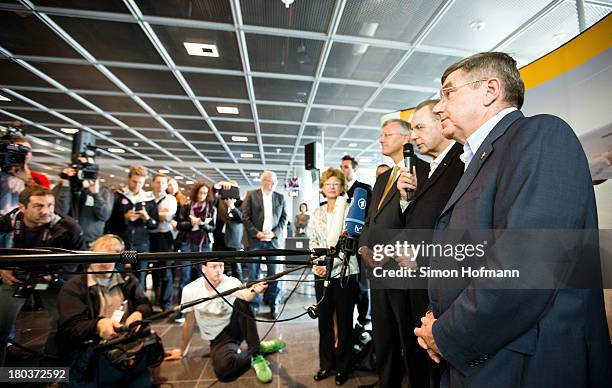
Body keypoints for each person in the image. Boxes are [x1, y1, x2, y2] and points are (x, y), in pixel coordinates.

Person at [414, 52, 612, 387]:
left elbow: (525, 267)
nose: (437, 106)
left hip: (523, 364)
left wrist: (446, 333)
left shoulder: (542, 134)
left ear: (490, 90)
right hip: (483, 356)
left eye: (448, 92)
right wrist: (438, 317)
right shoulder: (482, 159)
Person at [395, 99, 464, 388]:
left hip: (442, 287)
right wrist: (404, 199)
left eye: (419, 127)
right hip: (415, 281)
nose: (413, 136)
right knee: (419, 362)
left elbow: (459, 231)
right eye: (411, 129)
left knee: (440, 368)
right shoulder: (423, 170)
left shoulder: (464, 162)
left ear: (442, 123)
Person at [357, 119, 429, 388]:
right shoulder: (382, 179)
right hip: (376, 270)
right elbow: (370, 221)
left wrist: (387, 252)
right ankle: (387, 381)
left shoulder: (423, 172)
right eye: (381, 134)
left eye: (387, 134)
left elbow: (416, 222)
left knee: (407, 337)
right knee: (383, 334)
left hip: (401, 268)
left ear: (405, 138)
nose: (381, 139)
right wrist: (364, 247)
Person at [0, 185, 86, 366]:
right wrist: (1, 269)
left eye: (50, 205)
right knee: (2, 324)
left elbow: (78, 257)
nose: (46, 211)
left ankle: (51, 367)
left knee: (63, 323)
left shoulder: (68, 227)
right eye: (39, 206)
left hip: (51, 279)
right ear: (22, 208)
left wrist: (55, 274)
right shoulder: (6, 224)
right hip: (15, 277)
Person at [164, 261, 286, 384]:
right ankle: (258, 349)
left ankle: (256, 356)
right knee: (224, 371)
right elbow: (189, 322)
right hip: (218, 337)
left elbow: (246, 295)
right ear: (204, 268)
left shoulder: (230, 282)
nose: (219, 270)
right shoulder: (191, 290)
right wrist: (182, 350)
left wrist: (256, 290)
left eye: (221, 266)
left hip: (235, 327)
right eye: (214, 266)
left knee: (241, 302)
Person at [56, 234, 154, 387]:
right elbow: (71, 327)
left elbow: (145, 304)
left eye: (111, 257)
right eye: (99, 256)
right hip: (89, 355)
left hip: (126, 349)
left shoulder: (127, 280)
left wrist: (139, 313)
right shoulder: (73, 287)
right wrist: (98, 325)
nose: (105, 262)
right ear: (90, 254)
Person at [309, 168, 360, 386]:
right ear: (322, 188)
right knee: (324, 321)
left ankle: (343, 367)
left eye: (335, 183)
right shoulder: (317, 213)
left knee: (345, 320)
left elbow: (352, 244)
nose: (331, 186)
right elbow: (313, 241)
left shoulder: (350, 211)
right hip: (321, 273)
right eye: (327, 183)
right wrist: (317, 264)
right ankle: (326, 364)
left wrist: (332, 264)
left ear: (342, 187)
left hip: (345, 272)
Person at [241, 171, 287, 318]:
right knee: (254, 275)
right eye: (270, 181)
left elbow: (284, 218)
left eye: (275, 182)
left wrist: (274, 233)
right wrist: (257, 233)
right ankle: (254, 304)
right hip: (255, 241)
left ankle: (273, 304)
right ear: (262, 181)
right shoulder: (251, 195)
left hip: (273, 241)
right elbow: (245, 217)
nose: (273, 184)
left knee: (275, 274)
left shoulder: (280, 197)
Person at [106, 165, 159, 287]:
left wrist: (147, 219)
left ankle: (139, 305)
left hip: (141, 244)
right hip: (120, 243)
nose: (136, 185)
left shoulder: (149, 199)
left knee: (140, 278)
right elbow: (108, 221)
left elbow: (155, 225)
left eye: (140, 183)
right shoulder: (118, 196)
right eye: (134, 181)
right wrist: (124, 218)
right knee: (116, 276)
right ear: (128, 179)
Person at [54, 152, 114, 247]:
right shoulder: (63, 187)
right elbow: (60, 212)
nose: (85, 169)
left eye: (89, 166)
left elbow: (104, 215)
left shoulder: (103, 191)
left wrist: (95, 194)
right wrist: (66, 184)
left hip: (92, 244)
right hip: (67, 242)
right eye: (81, 165)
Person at [340, 155, 373, 328]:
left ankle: (364, 320)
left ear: (354, 169)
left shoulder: (364, 189)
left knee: (362, 285)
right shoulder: (339, 191)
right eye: (341, 167)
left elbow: (370, 217)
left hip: (359, 243)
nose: (343, 170)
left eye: (346, 167)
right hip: (342, 245)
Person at [175, 181, 217, 305]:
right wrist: (191, 224)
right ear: (195, 193)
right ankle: (183, 306)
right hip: (187, 242)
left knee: (201, 276)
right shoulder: (187, 206)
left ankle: (199, 304)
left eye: (205, 193)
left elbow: (213, 227)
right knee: (185, 276)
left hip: (204, 244)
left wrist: (203, 225)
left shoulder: (211, 208)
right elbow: (179, 225)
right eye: (200, 192)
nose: (202, 195)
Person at [149, 173, 177, 311]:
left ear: (167, 185)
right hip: (149, 236)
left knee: (165, 271)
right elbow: (160, 216)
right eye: (158, 182)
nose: (160, 185)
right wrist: (160, 214)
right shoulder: (147, 197)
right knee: (153, 270)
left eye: (163, 183)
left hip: (165, 237)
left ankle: (165, 304)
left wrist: (150, 215)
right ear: (152, 183)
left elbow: (169, 216)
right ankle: (154, 300)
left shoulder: (171, 199)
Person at [212, 180, 244, 280]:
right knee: (217, 266)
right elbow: (211, 199)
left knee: (236, 267)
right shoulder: (220, 201)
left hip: (234, 240)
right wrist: (217, 186)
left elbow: (241, 218)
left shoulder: (241, 203)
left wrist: (232, 206)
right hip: (219, 238)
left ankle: (239, 288)